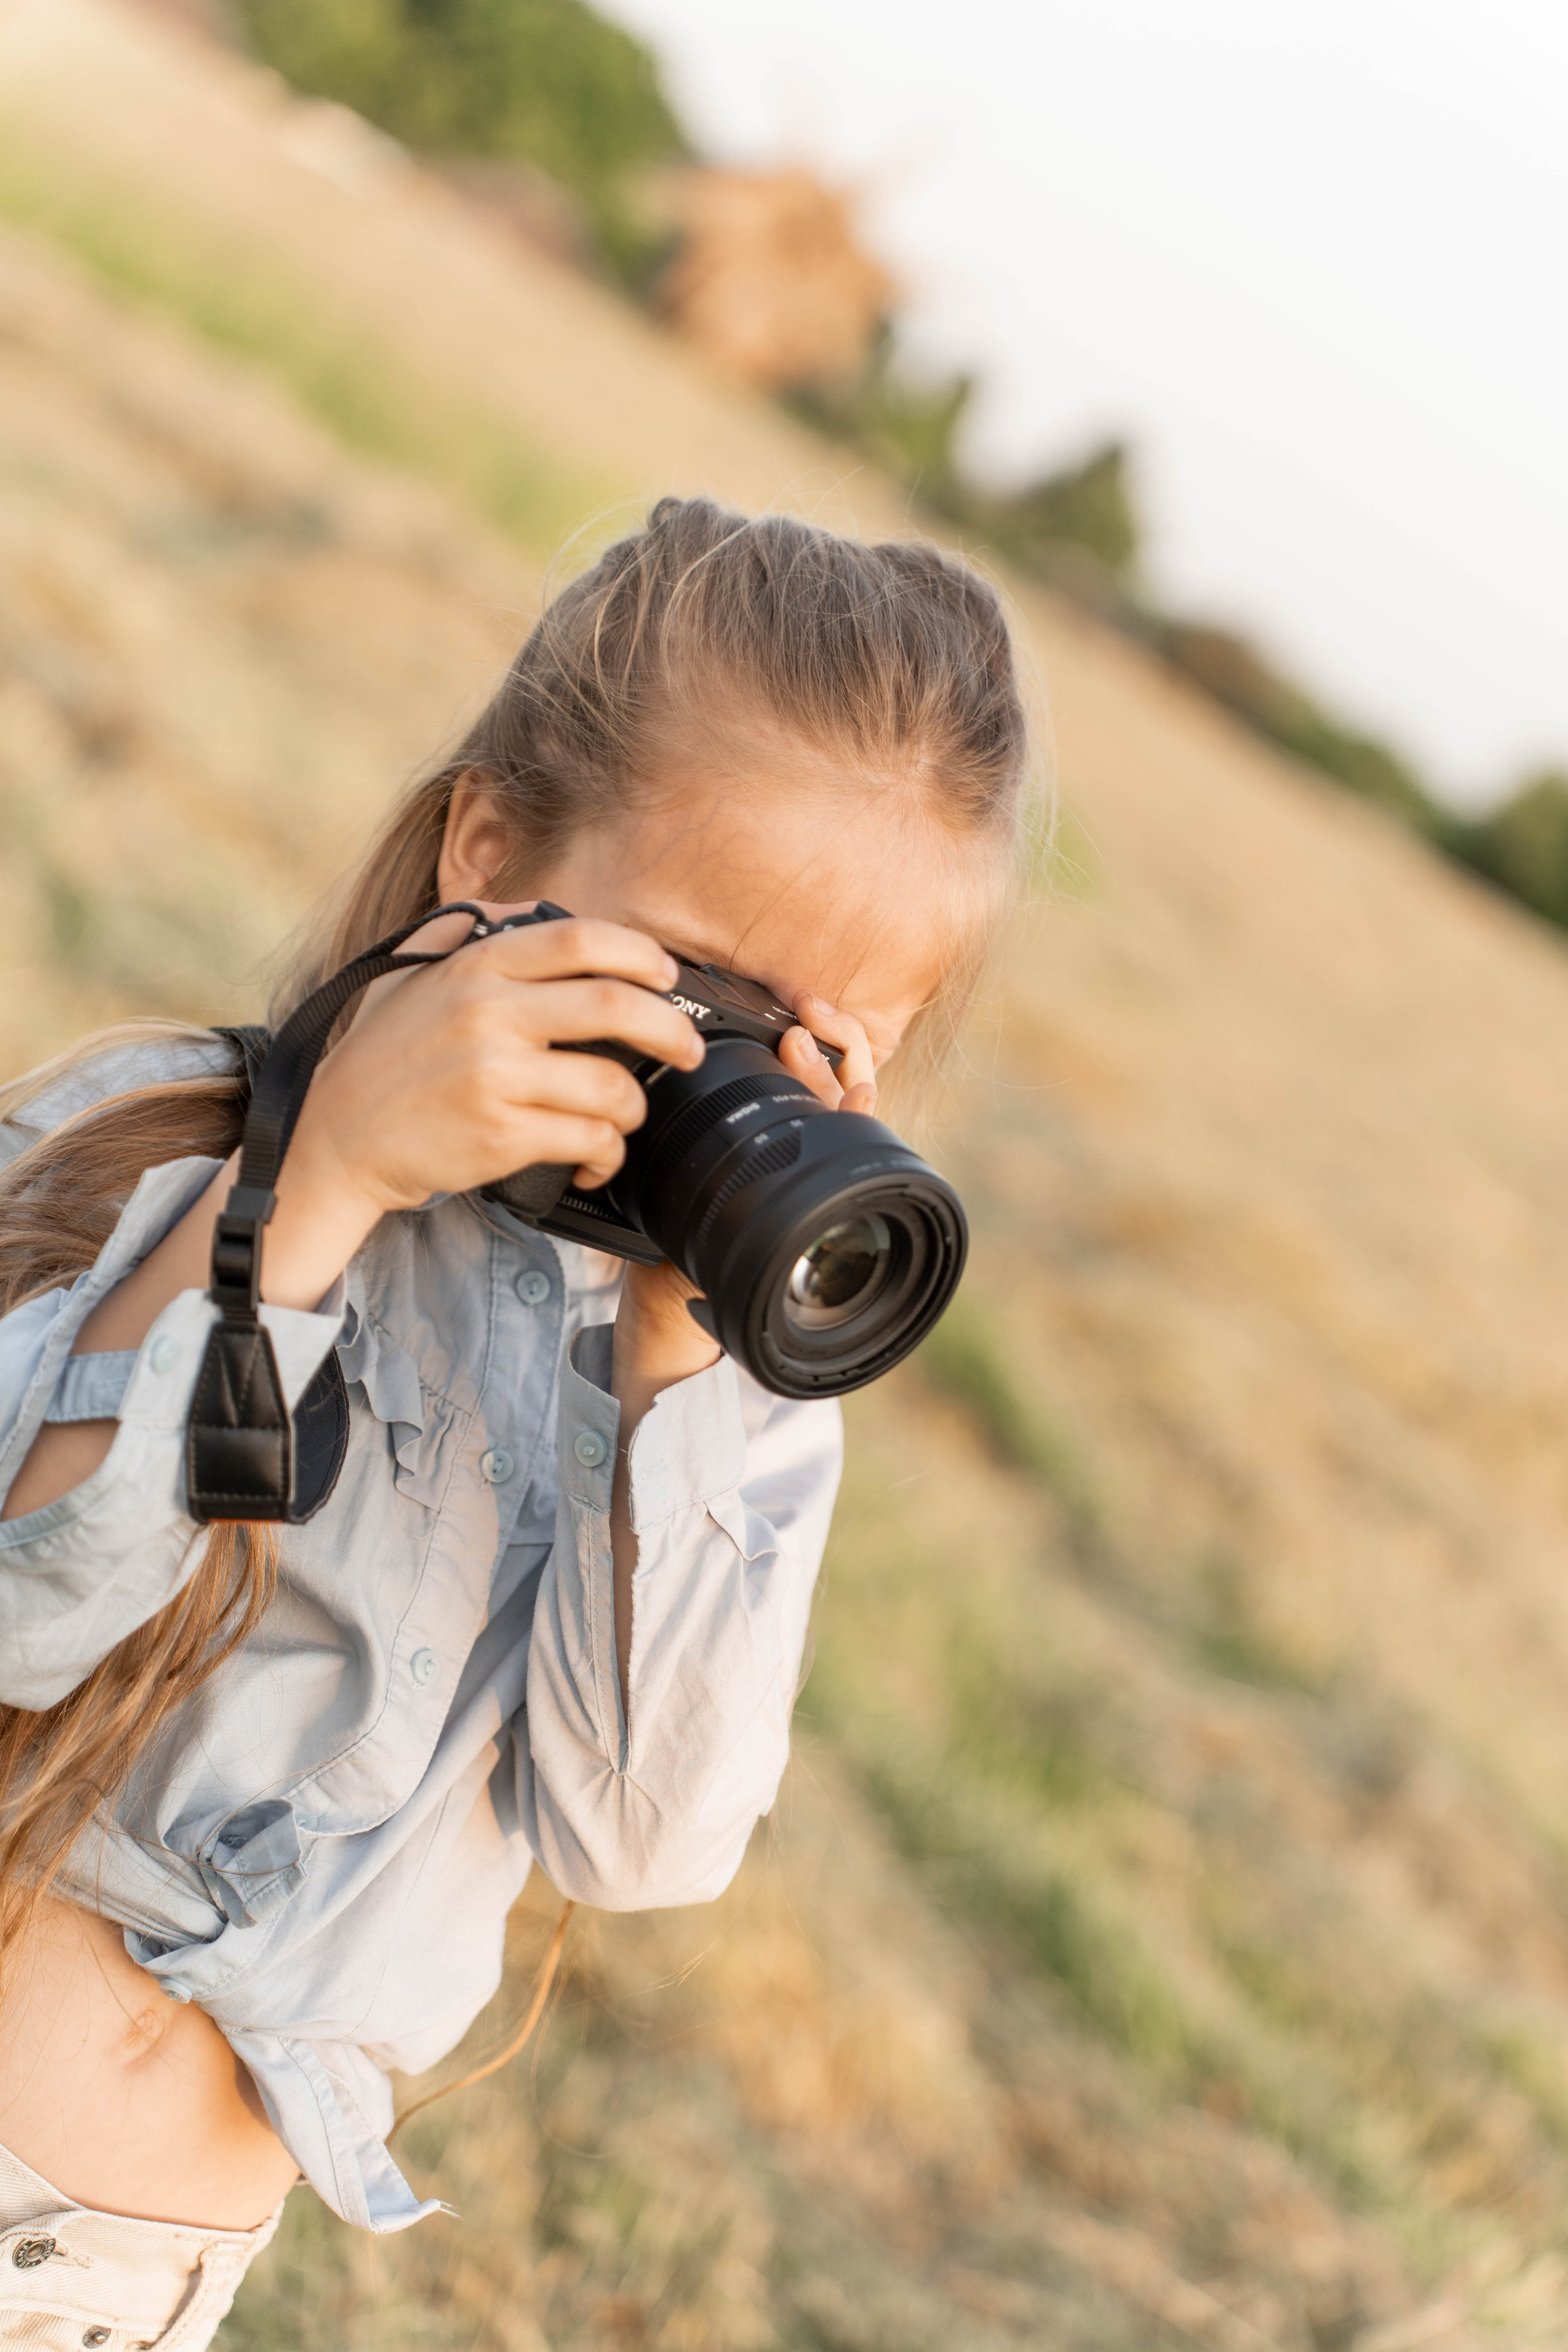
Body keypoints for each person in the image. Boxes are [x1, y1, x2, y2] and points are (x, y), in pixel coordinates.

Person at [0, 497, 1028, 2347]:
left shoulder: (713, 1412)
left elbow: (643, 1839)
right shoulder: (173, 1148)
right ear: (490, 849)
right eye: (700, 1003)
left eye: (815, 1057)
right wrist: (316, 1191)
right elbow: (28, 1601)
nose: (725, 1095)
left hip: (128, 2291)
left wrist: (683, 1363)